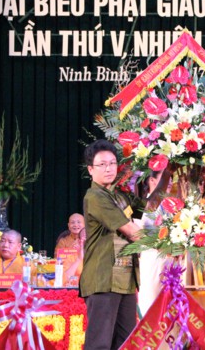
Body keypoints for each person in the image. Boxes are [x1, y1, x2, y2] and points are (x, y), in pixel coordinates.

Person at [79, 139, 147, 350]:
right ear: (91, 169)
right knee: (99, 345)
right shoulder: (95, 196)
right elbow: (132, 232)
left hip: (126, 281)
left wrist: (163, 174)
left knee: (126, 344)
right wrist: (166, 242)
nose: (108, 169)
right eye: (102, 164)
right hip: (103, 279)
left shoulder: (120, 197)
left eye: (112, 163)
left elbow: (149, 207)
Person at [137, 169, 172, 316]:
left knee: (170, 306)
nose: (169, 182)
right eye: (165, 178)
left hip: (170, 261)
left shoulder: (170, 205)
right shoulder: (144, 204)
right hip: (151, 259)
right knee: (151, 304)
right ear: (152, 180)